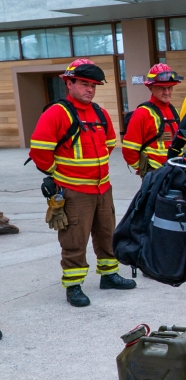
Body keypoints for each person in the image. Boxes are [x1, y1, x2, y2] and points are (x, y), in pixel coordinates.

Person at [29, 59, 136, 307]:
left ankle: (109, 275)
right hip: (74, 192)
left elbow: (110, 143)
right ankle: (73, 285)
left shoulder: (99, 112)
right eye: (84, 84)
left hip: (102, 188)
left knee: (107, 234)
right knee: (74, 240)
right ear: (69, 83)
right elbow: (40, 151)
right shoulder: (57, 112)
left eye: (93, 86)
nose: (90, 89)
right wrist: (58, 174)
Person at [122, 63, 182, 176]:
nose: (167, 92)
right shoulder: (142, 113)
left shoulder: (173, 111)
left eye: (170, 88)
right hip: (155, 174)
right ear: (151, 88)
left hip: (176, 171)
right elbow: (129, 150)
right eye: (162, 88)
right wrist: (144, 170)